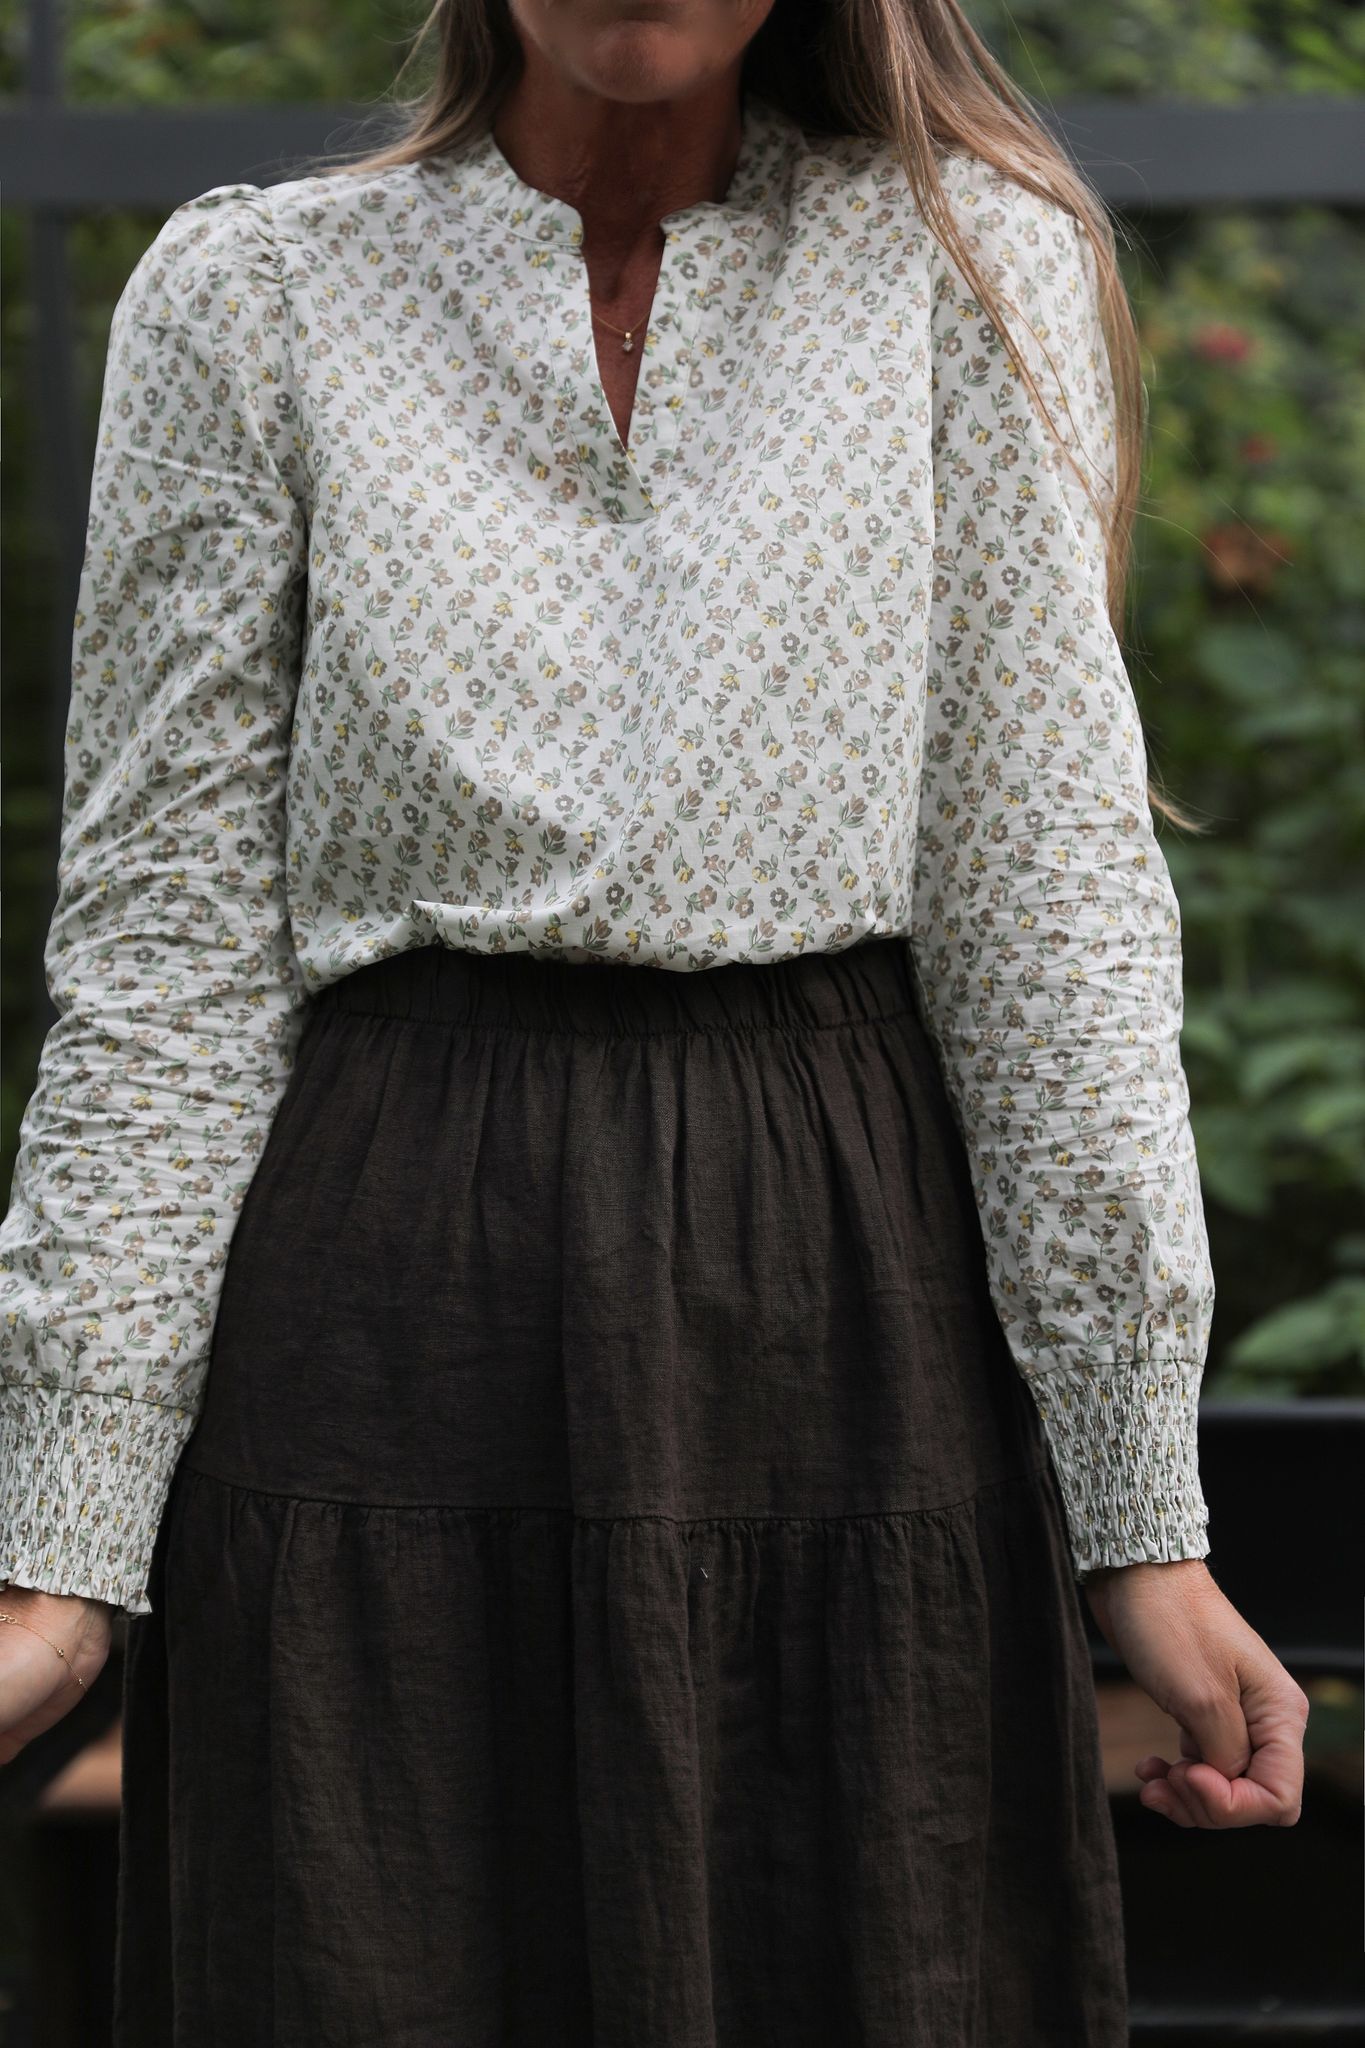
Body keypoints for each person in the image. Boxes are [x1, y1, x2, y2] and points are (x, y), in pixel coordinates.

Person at [0, 0, 1309, 2039]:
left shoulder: (963, 272)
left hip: (843, 1317)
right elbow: (167, 953)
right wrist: (64, 1551)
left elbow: (1042, 891)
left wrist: (1142, 1516)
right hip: (378, 1324)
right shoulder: (255, 295)